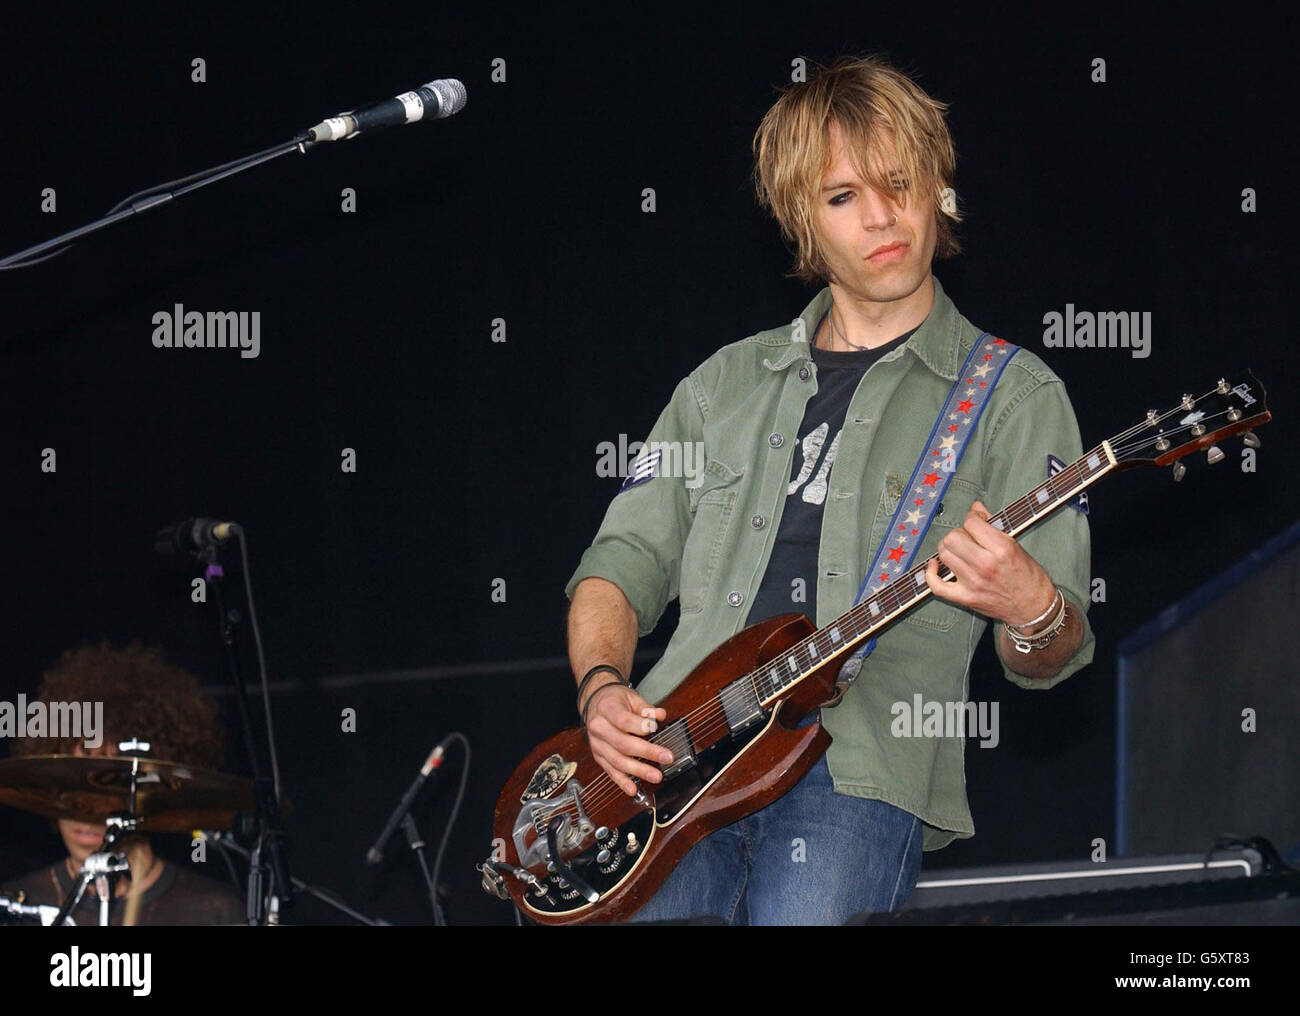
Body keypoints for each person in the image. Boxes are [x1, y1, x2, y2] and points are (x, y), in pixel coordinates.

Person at [563, 55, 1095, 925]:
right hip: (673, 770)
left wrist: (1032, 610)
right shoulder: (718, 387)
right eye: (842, 196)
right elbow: (619, 561)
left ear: (938, 190)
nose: (882, 217)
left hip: (855, 772)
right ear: (801, 224)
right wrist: (601, 690)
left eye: (899, 183)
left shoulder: (1014, 396)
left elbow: (1053, 654)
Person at [1, 641, 245, 925]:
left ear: (153, 788)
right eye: (74, 783)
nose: (89, 809)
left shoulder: (214, 911)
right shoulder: (17, 905)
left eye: (109, 784)